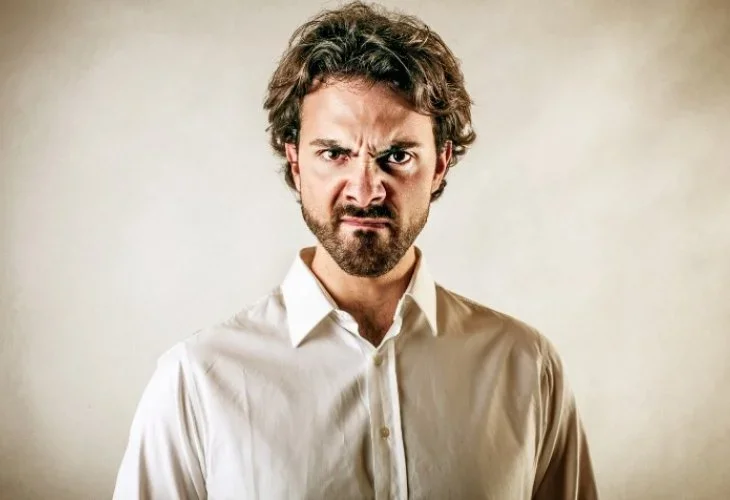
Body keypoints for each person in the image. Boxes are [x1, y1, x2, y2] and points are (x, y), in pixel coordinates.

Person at [113, 1, 599, 498]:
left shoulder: (527, 367)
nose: (365, 191)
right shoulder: (196, 380)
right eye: (334, 153)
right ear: (295, 162)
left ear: (440, 164)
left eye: (397, 156)